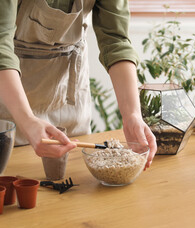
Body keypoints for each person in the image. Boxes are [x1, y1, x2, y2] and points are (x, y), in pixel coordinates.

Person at [0, 0, 157, 168]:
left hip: (68, 93)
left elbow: (116, 42)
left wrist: (132, 115)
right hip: (10, 98)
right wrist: (27, 120)